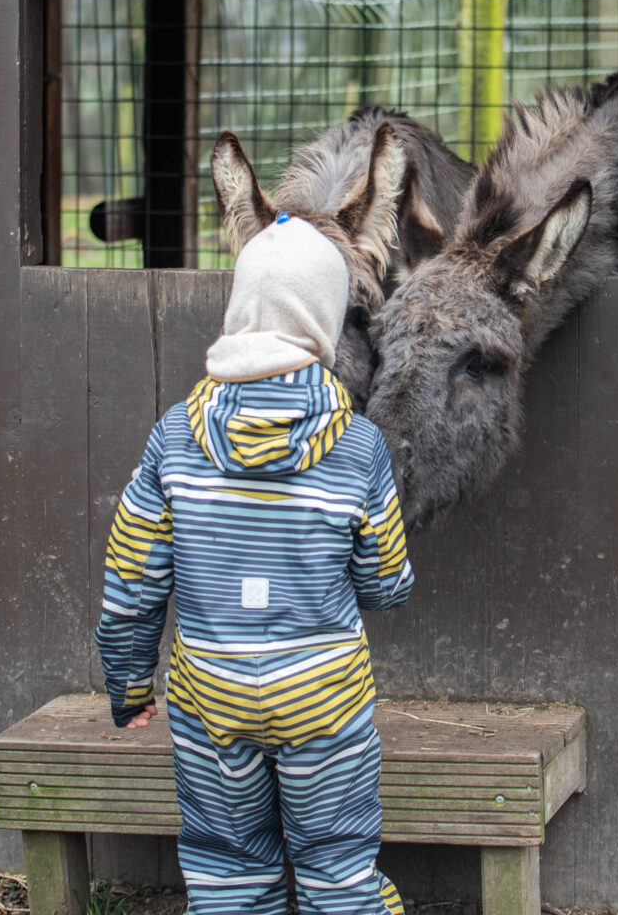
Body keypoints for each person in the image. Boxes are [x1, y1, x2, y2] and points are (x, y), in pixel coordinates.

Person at [95, 213, 414, 915]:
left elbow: (131, 578)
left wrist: (127, 684)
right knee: (337, 864)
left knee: (228, 866)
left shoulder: (176, 436)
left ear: (239, 311)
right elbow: (387, 583)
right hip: (322, 693)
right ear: (323, 322)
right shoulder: (358, 446)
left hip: (211, 690)